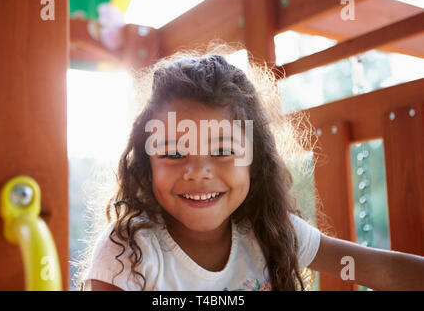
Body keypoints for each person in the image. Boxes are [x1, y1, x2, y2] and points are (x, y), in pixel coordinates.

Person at [80, 47, 424, 291]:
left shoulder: (270, 231)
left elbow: (386, 271)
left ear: (254, 161)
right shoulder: (128, 250)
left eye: (222, 151)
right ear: (145, 164)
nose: (198, 171)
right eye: (173, 153)